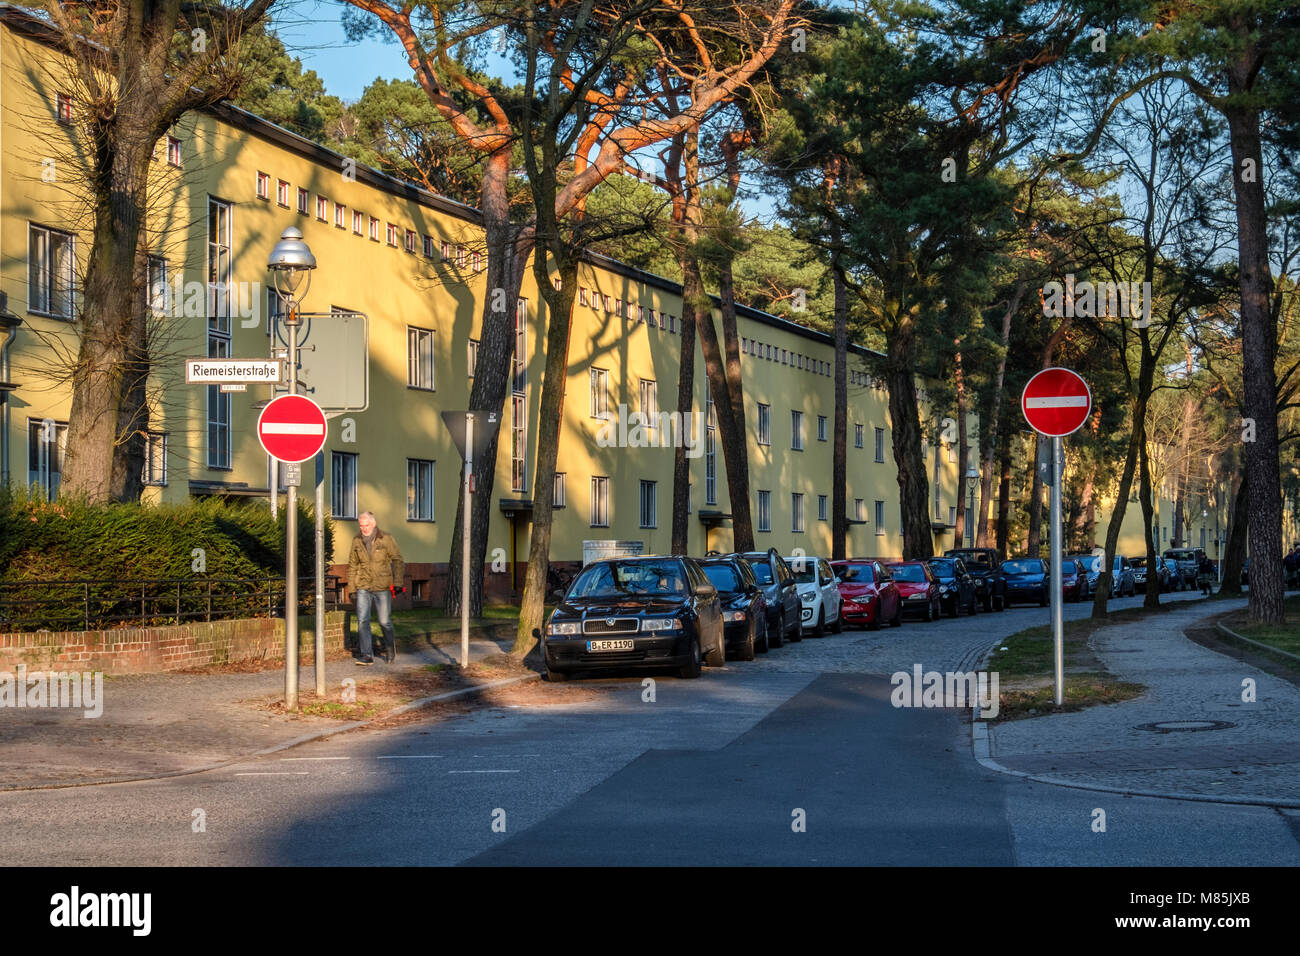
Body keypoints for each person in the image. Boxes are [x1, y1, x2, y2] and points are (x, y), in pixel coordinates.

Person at [347, 511, 405, 665]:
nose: (363, 529)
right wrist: (352, 588)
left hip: (382, 586)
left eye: (365, 525)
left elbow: (398, 560)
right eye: (361, 526)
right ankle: (367, 655)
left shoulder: (385, 538)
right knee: (362, 621)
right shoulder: (357, 540)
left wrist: (398, 583)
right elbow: (352, 565)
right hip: (364, 586)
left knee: (384, 621)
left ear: (373, 524)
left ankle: (390, 648)